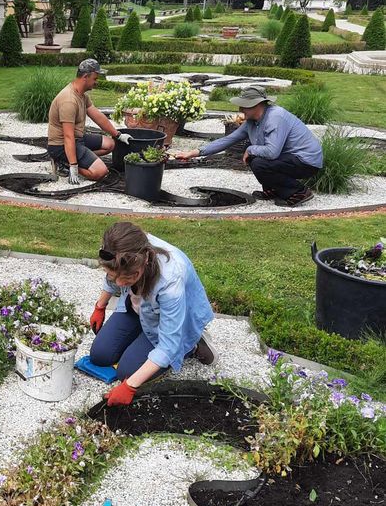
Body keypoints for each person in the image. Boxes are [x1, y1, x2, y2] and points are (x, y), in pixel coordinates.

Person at [88, 222, 215, 407]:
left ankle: (191, 344)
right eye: (115, 276)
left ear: (145, 261)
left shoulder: (170, 281)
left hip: (164, 318)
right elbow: (112, 276)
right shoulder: (120, 247)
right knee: (99, 355)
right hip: (140, 309)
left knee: (127, 373)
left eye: (128, 278)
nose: (121, 284)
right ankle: (142, 335)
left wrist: (130, 387)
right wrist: (100, 306)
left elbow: (167, 347)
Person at [175, 86, 322, 206]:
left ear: (257, 104)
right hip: (289, 159)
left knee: (258, 161)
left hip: (306, 162)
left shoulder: (275, 117)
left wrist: (250, 149)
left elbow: (272, 153)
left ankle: (299, 192)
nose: (240, 109)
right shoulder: (252, 122)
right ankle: (273, 189)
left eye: (243, 105)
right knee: (255, 159)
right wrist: (193, 153)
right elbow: (228, 140)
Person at [46, 58, 132, 185]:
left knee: (110, 144)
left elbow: (97, 116)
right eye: (95, 78)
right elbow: (68, 137)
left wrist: (118, 134)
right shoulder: (68, 100)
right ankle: (65, 164)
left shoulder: (82, 95)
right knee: (101, 172)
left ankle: (77, 160)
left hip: (77, 139)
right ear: (85, 76)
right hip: (60, 145)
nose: (96, 82)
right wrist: (74, 166)